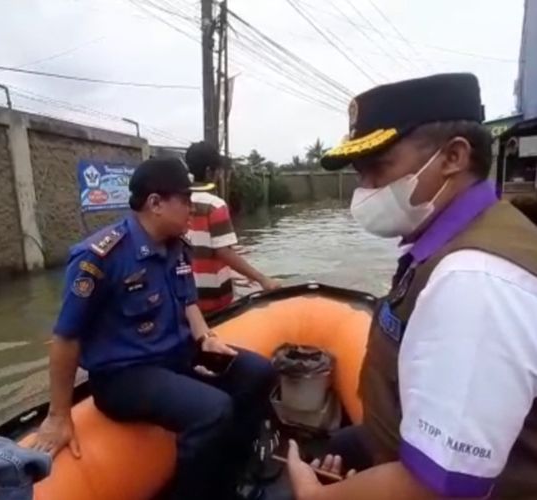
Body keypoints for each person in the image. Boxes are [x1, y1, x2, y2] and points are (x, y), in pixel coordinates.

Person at [285, 73, 537, 499]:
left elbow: (434, 488)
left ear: (452, 157)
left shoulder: (473, 281)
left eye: (378, 169)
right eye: (359, 173)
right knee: (345, 445)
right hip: (401, 444)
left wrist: (316, 496)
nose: (364, 192)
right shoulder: (453, 242)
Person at [33, 157, 277, 499]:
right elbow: (65, 338)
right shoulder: (99, 258)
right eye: (186, 200)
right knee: (213, 409)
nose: (192, 209)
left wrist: (205, 337)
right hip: (124, 375)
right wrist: (59, 415)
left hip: (174, 355)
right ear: (156, 203)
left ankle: (234, 471)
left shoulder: (177, 246)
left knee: (258, 371)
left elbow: (188, 301)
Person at [184, 142, 280, 313]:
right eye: (218, 170)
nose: (220, 174)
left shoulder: (177, 202)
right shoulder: (215, 205)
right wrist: (262, 279)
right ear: (209, 171)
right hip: (213, 298)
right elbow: (224, 252)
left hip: (185, 297)